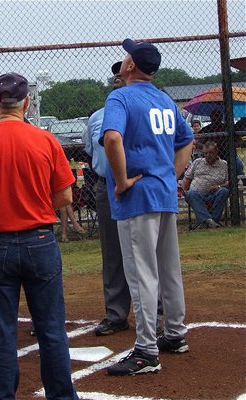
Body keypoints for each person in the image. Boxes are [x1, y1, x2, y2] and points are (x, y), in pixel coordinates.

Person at [0, 72, 79, 400]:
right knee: (52, 330)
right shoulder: (45, 140)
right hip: (39, 241)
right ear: (27, 102)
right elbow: (65, 197)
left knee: (2, 332)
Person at [100, 39, 193, 376]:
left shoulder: (121, 96)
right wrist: (171, 174)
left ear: (130, 67)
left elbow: (112, 138)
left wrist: (122, 180)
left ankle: (146, 351)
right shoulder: (165, 99)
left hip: (138, 196)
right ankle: (176, 334)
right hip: (164, 192)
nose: (123, 59)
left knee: (142, 273)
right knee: (168, 268)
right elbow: (187, 140)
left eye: (127, 56)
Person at [84, 61, 131, 336]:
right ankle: (116, 313)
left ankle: (158, 313)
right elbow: (92, 153)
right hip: (106, 187)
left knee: (146, 253)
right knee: (112, 253)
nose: (117, 75)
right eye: (115, 72)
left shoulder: (141, 110)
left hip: (137, 187)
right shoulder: (97, 116)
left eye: (122, 70)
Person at [182, 141, 229, 228]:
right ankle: (210, 222)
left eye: (211, 153)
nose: (208, 155)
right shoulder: (197, 162)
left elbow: (228, 182)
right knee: (190, 193)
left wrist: (219, 186)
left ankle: (207, 222)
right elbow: (186, 179)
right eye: (206, 153)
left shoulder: (223, 164)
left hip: (214, 195)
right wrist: (184, 191)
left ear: (216, 152)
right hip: (197, 195)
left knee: (224, 191)